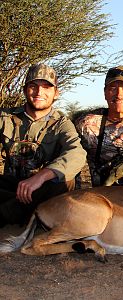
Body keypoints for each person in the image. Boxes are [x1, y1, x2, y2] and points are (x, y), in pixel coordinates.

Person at [0, 63, 87, 226]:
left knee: (65, 181)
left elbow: (77, 153)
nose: (39, 92)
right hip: (14, 187)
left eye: (47, 87)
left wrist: (41, 176)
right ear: (25, 90)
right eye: (33, 86)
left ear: (56, 93)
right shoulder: (5, 117)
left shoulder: (62, 123)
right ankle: (24, 214)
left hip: (43, 190)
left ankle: (11, 214)